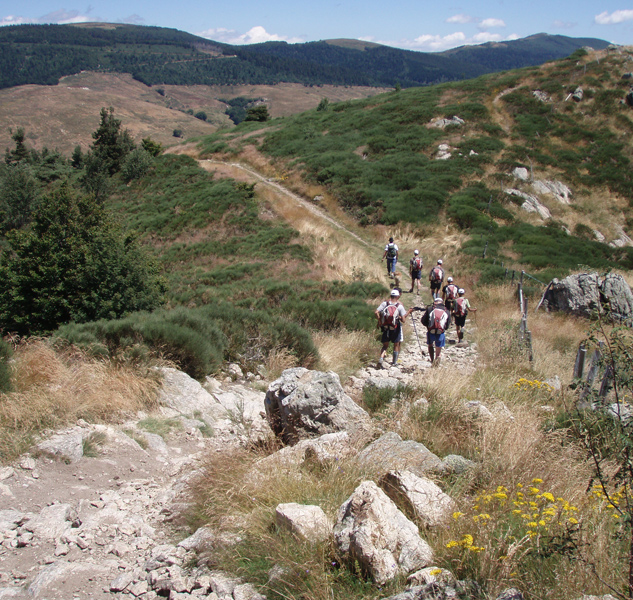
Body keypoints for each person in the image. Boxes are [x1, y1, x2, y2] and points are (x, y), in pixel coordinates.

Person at [375, 288, 413, 367]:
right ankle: (394, 362)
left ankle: (381, 358)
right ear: (398, 296)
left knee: (385, 345)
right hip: (395, 328)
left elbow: (376, 312)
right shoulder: (399, 306)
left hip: (385, 327)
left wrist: (380, 321)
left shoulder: (385, 303)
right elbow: (403, 320)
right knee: (396, 344)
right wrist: (403, 314)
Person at [421, 297, 451, 366]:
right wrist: (443, 328)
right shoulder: (446, 310)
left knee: (430, 345)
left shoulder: (430, 309)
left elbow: (423, 321)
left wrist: (428, 326)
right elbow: (447, 324)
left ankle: (432, 360)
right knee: (438, 349)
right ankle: (436, 363)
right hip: (440, 332)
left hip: (430, 331)